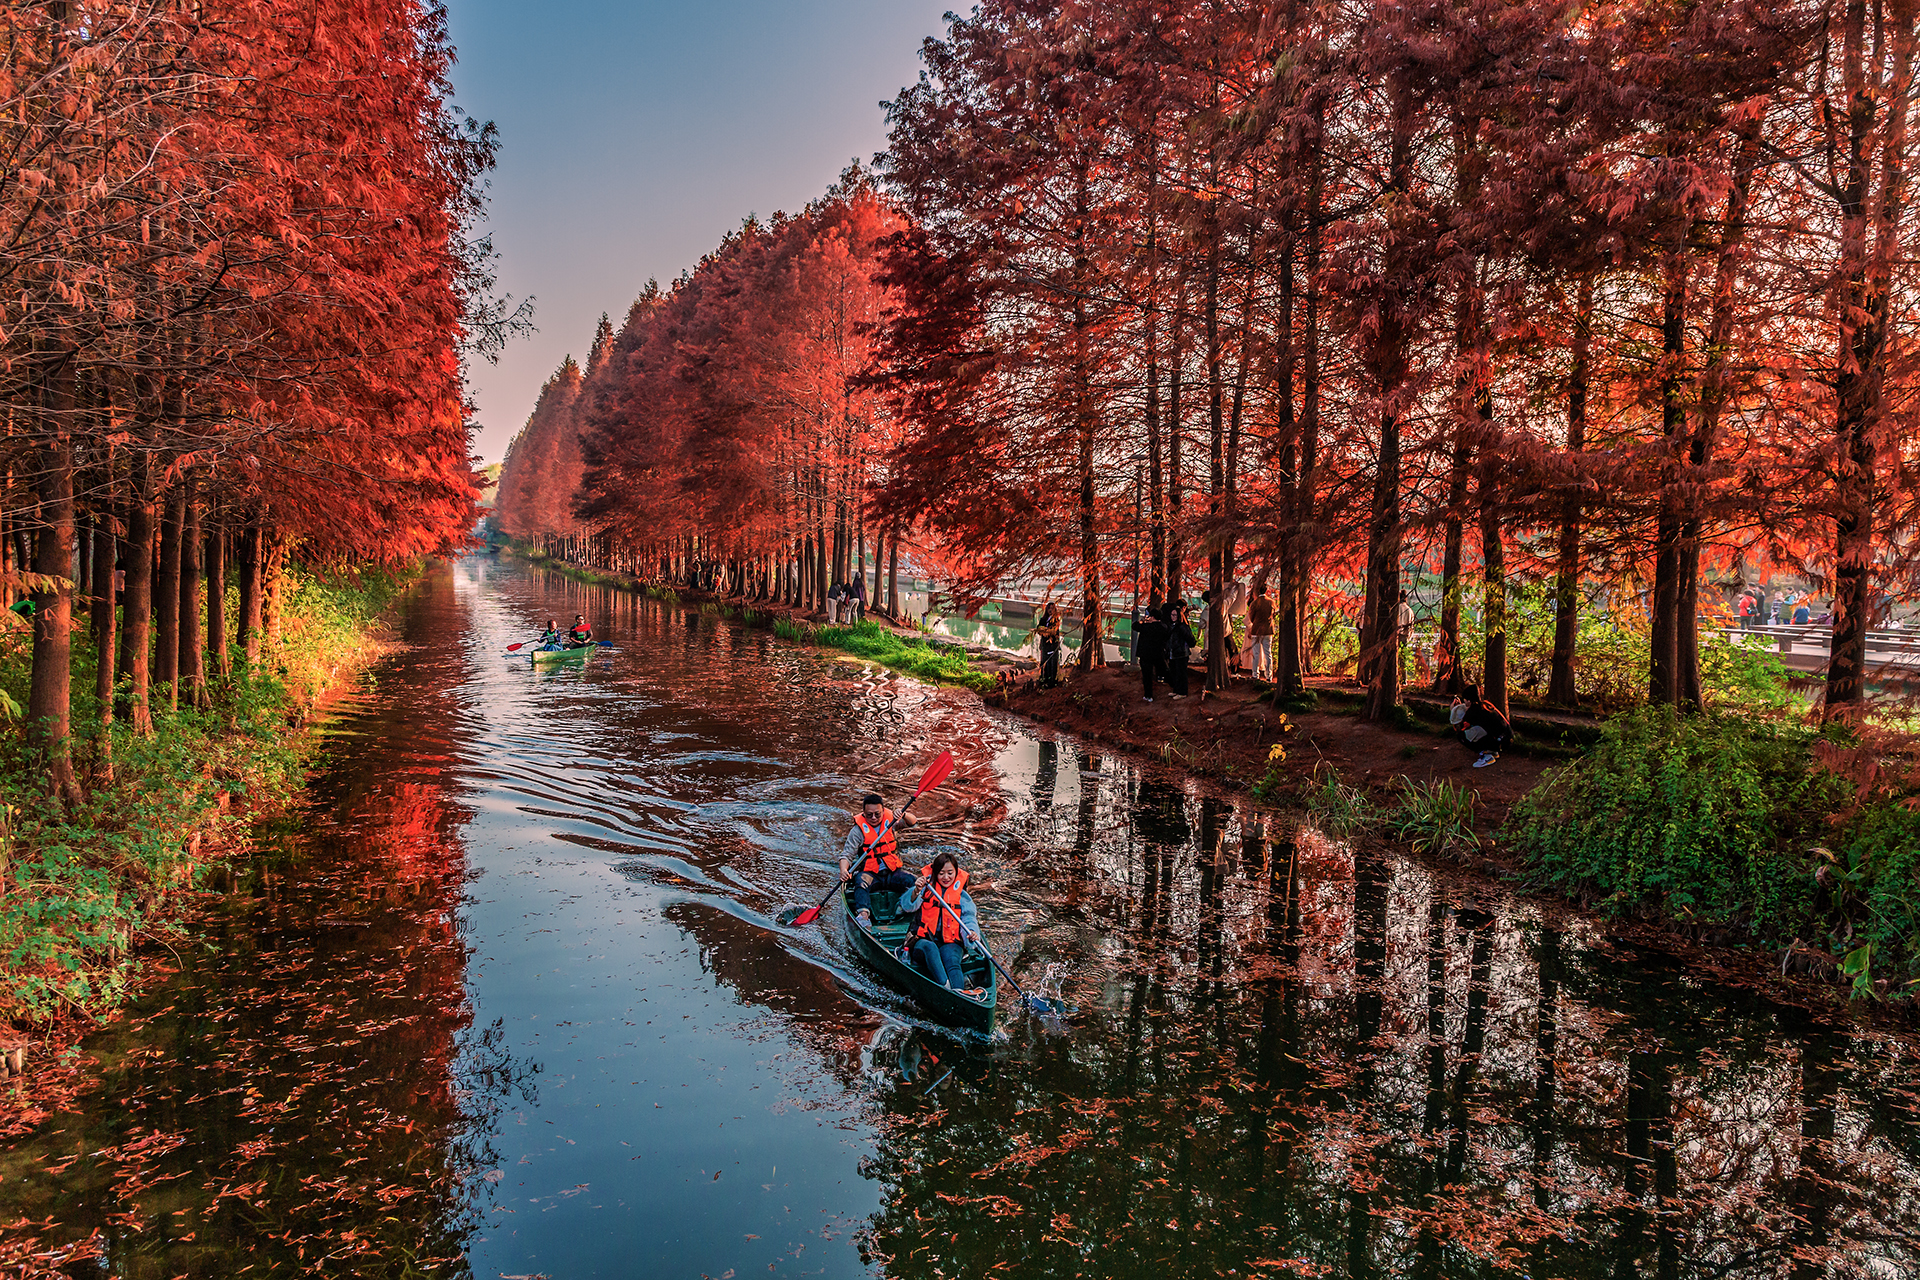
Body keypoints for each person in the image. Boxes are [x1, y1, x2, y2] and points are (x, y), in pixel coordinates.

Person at [899, 852, 982, 993]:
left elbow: (969, 918)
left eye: (950, 873)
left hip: (950, 942)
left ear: (956, 873)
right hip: (923, 940)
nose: (946, 877)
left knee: (952, 962)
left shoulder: (961, 895)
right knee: (930, 948)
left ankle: (960, 994)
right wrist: (916, 891)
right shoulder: (926, 888)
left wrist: (972, 932)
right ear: (935, 873)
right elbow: (907, 905)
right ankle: (946, 988)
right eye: (941, 873)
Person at [839, 791, 917, 926]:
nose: (874, 818)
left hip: (892, 872)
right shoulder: (857, 831)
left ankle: (903, 906)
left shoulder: (891, 821)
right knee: (861, 882)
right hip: (870, 874)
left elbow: (912, 822)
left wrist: (903, 814)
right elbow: (846, 855)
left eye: (877, 814)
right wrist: (843, 870)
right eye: (869, 815)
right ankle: (863, 916)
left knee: (916, 883)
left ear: (882, 811)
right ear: (863, 813)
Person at [1449, 683, 1513, 768]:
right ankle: (1492, 750)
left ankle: (1486, 756)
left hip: (1501, 741)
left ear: (1469, 700)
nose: (1464, 701)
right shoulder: (1485, 705)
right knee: (1480, 730)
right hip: (1507, 738)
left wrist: (1453, 710)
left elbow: (1459, 727)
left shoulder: (1473, 712)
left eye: (1465, 699)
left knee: (1462, 736)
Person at [1136, 594, 1166, 700]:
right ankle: (1161, 679)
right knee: (1161, 668)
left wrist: (1143, 620)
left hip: (1146, 655)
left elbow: (1135, 626)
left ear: (1152, 617)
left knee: (1147, 676)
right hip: (1158, 653)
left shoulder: (1146, 627)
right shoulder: (1163, 627)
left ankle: (1148, 695)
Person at [1164, 599, 1194, 697]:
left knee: (1181, 673)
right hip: (1173, 652)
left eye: (1175, 615)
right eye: (1172, 615)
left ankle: (1183, 692)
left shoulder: (1182, 627)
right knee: (1174, 672)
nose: (1173, 617)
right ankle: (1176, 690)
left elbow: (1190, 639)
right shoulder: (1171, 626)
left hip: (1181, 652)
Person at [1247, 583, 1275, 682]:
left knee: (1256, 653)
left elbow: (1251, 618)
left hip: (1256, 630)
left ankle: (1255, 674)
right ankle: (1269, 676)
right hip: (1268, 630)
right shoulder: (1271, 602)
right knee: (1268, 654)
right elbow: (1273, 615)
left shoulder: (1254, 603)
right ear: (1266, 590)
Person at [1035, 603, 1062, 688]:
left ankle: (1052, 682)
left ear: (1055, 610)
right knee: (1044, 662)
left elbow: (1053, 632)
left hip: (1052, 645)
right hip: (1044, 645)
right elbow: (1039, 628)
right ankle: (1044, 679)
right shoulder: (1043, 619)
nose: (1050, 610)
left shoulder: (1056, 620)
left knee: (1052, 663)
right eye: (1049, 608)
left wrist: (1045, 631)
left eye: (1052, 608)